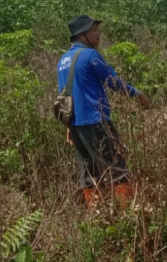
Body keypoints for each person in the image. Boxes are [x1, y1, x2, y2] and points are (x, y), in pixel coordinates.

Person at [58, 14, 151, 210]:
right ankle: (128, 219)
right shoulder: (90, 55)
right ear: (82, 35)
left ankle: (97, 218)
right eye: (94, 31)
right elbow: (113, 82)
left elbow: (64, 95)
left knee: (89, 174)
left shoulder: (63, 61)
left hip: (76, 126)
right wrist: (138, 94)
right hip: (95, 122)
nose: (98, 34)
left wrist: (68, 127)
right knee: (117, 169)